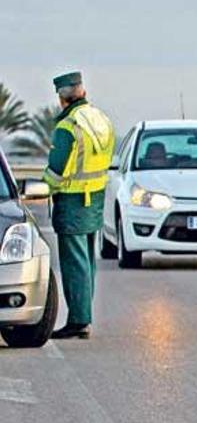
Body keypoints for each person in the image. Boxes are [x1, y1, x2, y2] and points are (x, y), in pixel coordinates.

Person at [42, 71, 115, 340]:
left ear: (62, 98)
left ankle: (78, 320)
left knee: (74, 264)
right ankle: (83, 316)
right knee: (87, 262)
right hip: (94, 198)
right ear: (82, 92)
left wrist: (41, 188)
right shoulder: (100, 119)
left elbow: (56, 170)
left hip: (72, 200)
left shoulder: (68, 127)